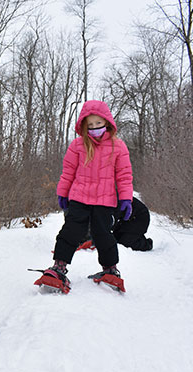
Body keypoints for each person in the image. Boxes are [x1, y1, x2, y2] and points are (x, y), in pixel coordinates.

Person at [43, 100, 134, 292]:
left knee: (103, 235)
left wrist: (126, 199)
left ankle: (111, 269)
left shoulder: (118, 146)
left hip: (105, 200)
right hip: (79, 198)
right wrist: (63, 192)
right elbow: (68, 171)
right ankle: (59, 267)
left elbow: (124, 175)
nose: (94, 129)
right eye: (90, 125)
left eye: (98, 124)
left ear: (107, 123)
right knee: (71, 231)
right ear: (84, 126)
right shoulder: (77, 145)